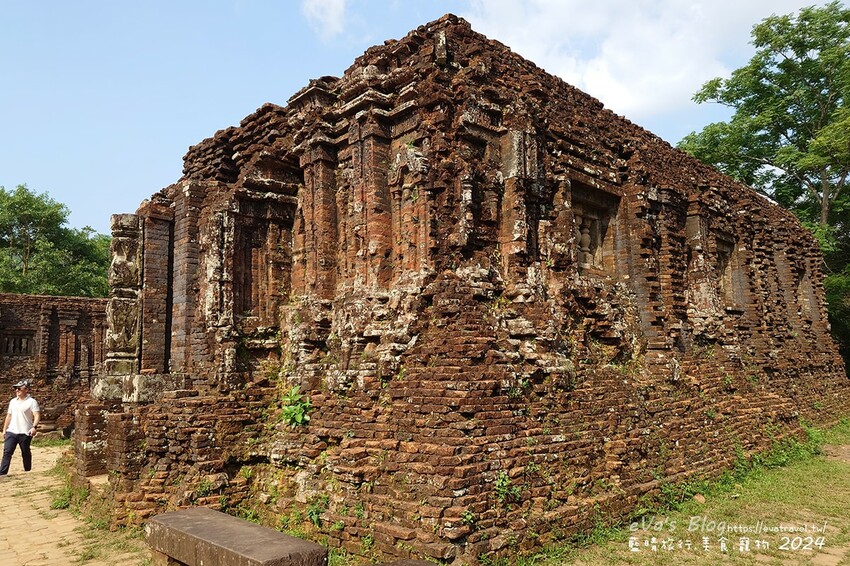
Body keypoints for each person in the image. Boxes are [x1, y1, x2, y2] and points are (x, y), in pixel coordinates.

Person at [0, 380, 40, 475]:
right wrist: (5, 429)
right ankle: (2, 473)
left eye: (19, 388)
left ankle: (27, 471)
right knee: (7, 452)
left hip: (25, 432)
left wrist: (34, 427)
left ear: (26, 389)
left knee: (25, 452)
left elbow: (37, 415)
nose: (17, 390)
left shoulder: (32, 402)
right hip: (12, 431)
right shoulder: (13, 401)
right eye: (15, 389)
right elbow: (9, 416)